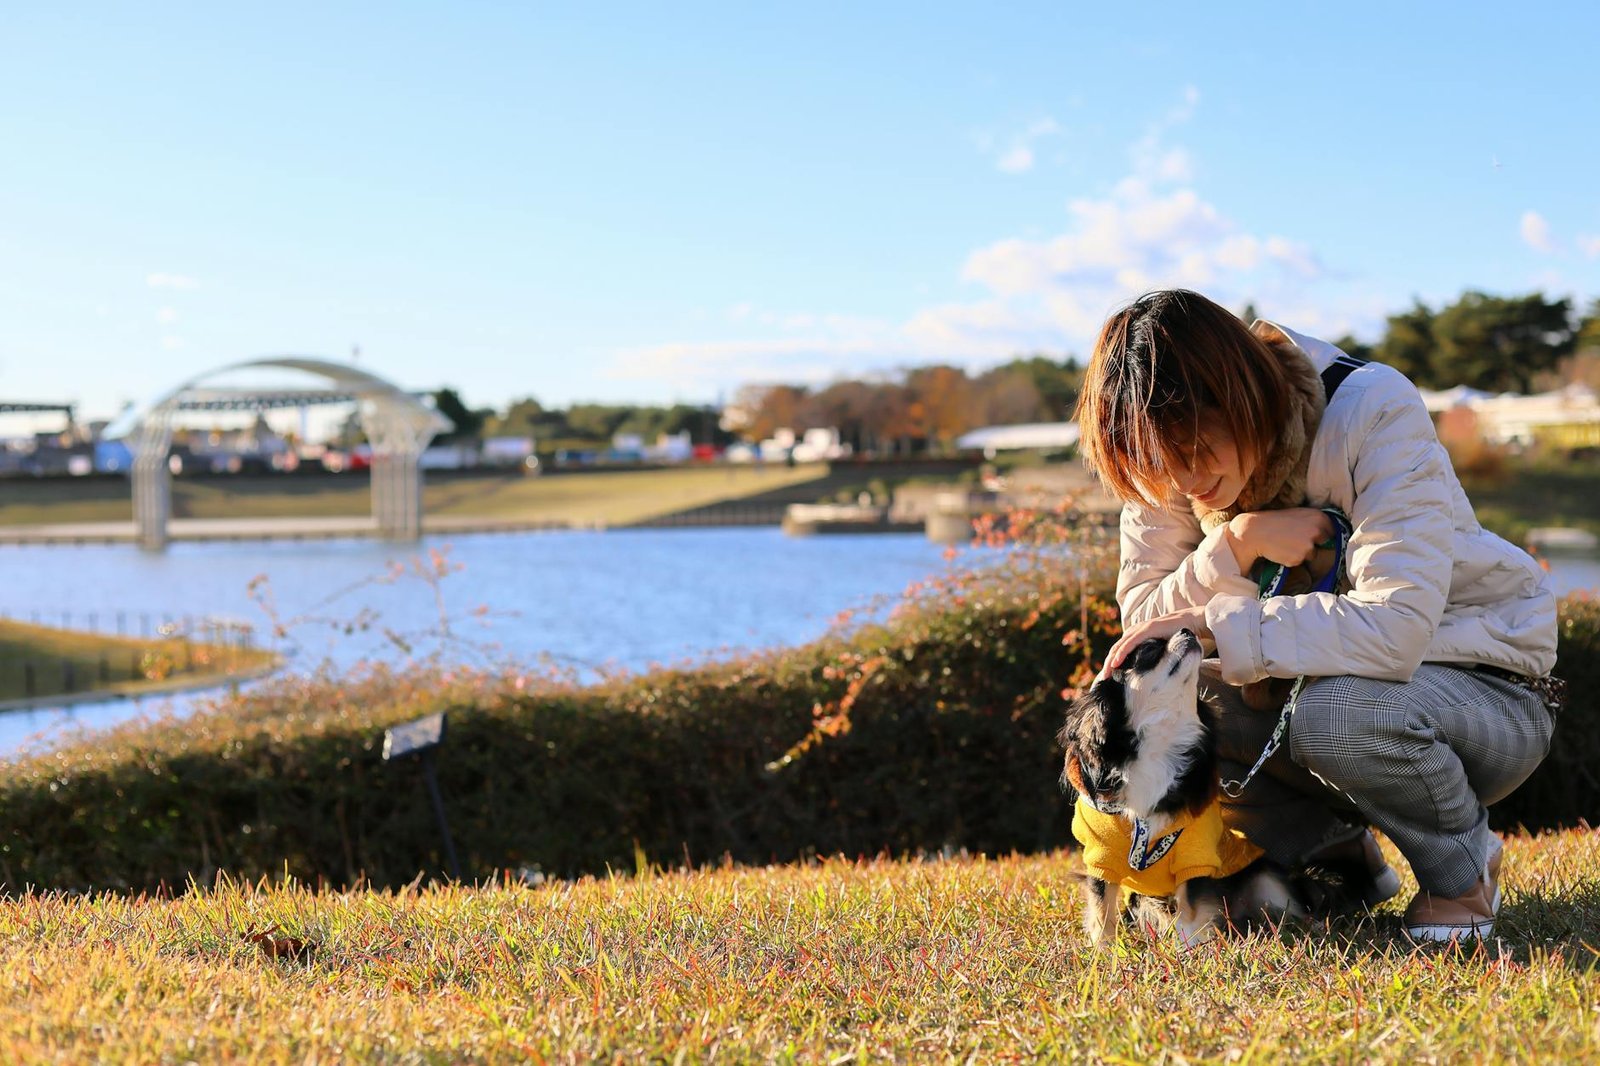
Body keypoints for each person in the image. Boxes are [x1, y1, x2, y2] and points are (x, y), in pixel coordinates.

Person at [1074, 289, 1559, 941]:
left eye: (1193, 450)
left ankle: (1463, 872)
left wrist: (1220, 628)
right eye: (1156, 464)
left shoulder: (1371, 407)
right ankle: (1334, 857)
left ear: (1237, 393)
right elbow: (1147, 627)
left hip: (1480, 693)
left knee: (1337, 713)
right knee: (1168, 703)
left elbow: (1396, 630)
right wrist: (1234, 544)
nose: (1183, 481)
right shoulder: (1163, 460)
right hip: (1325, 701)